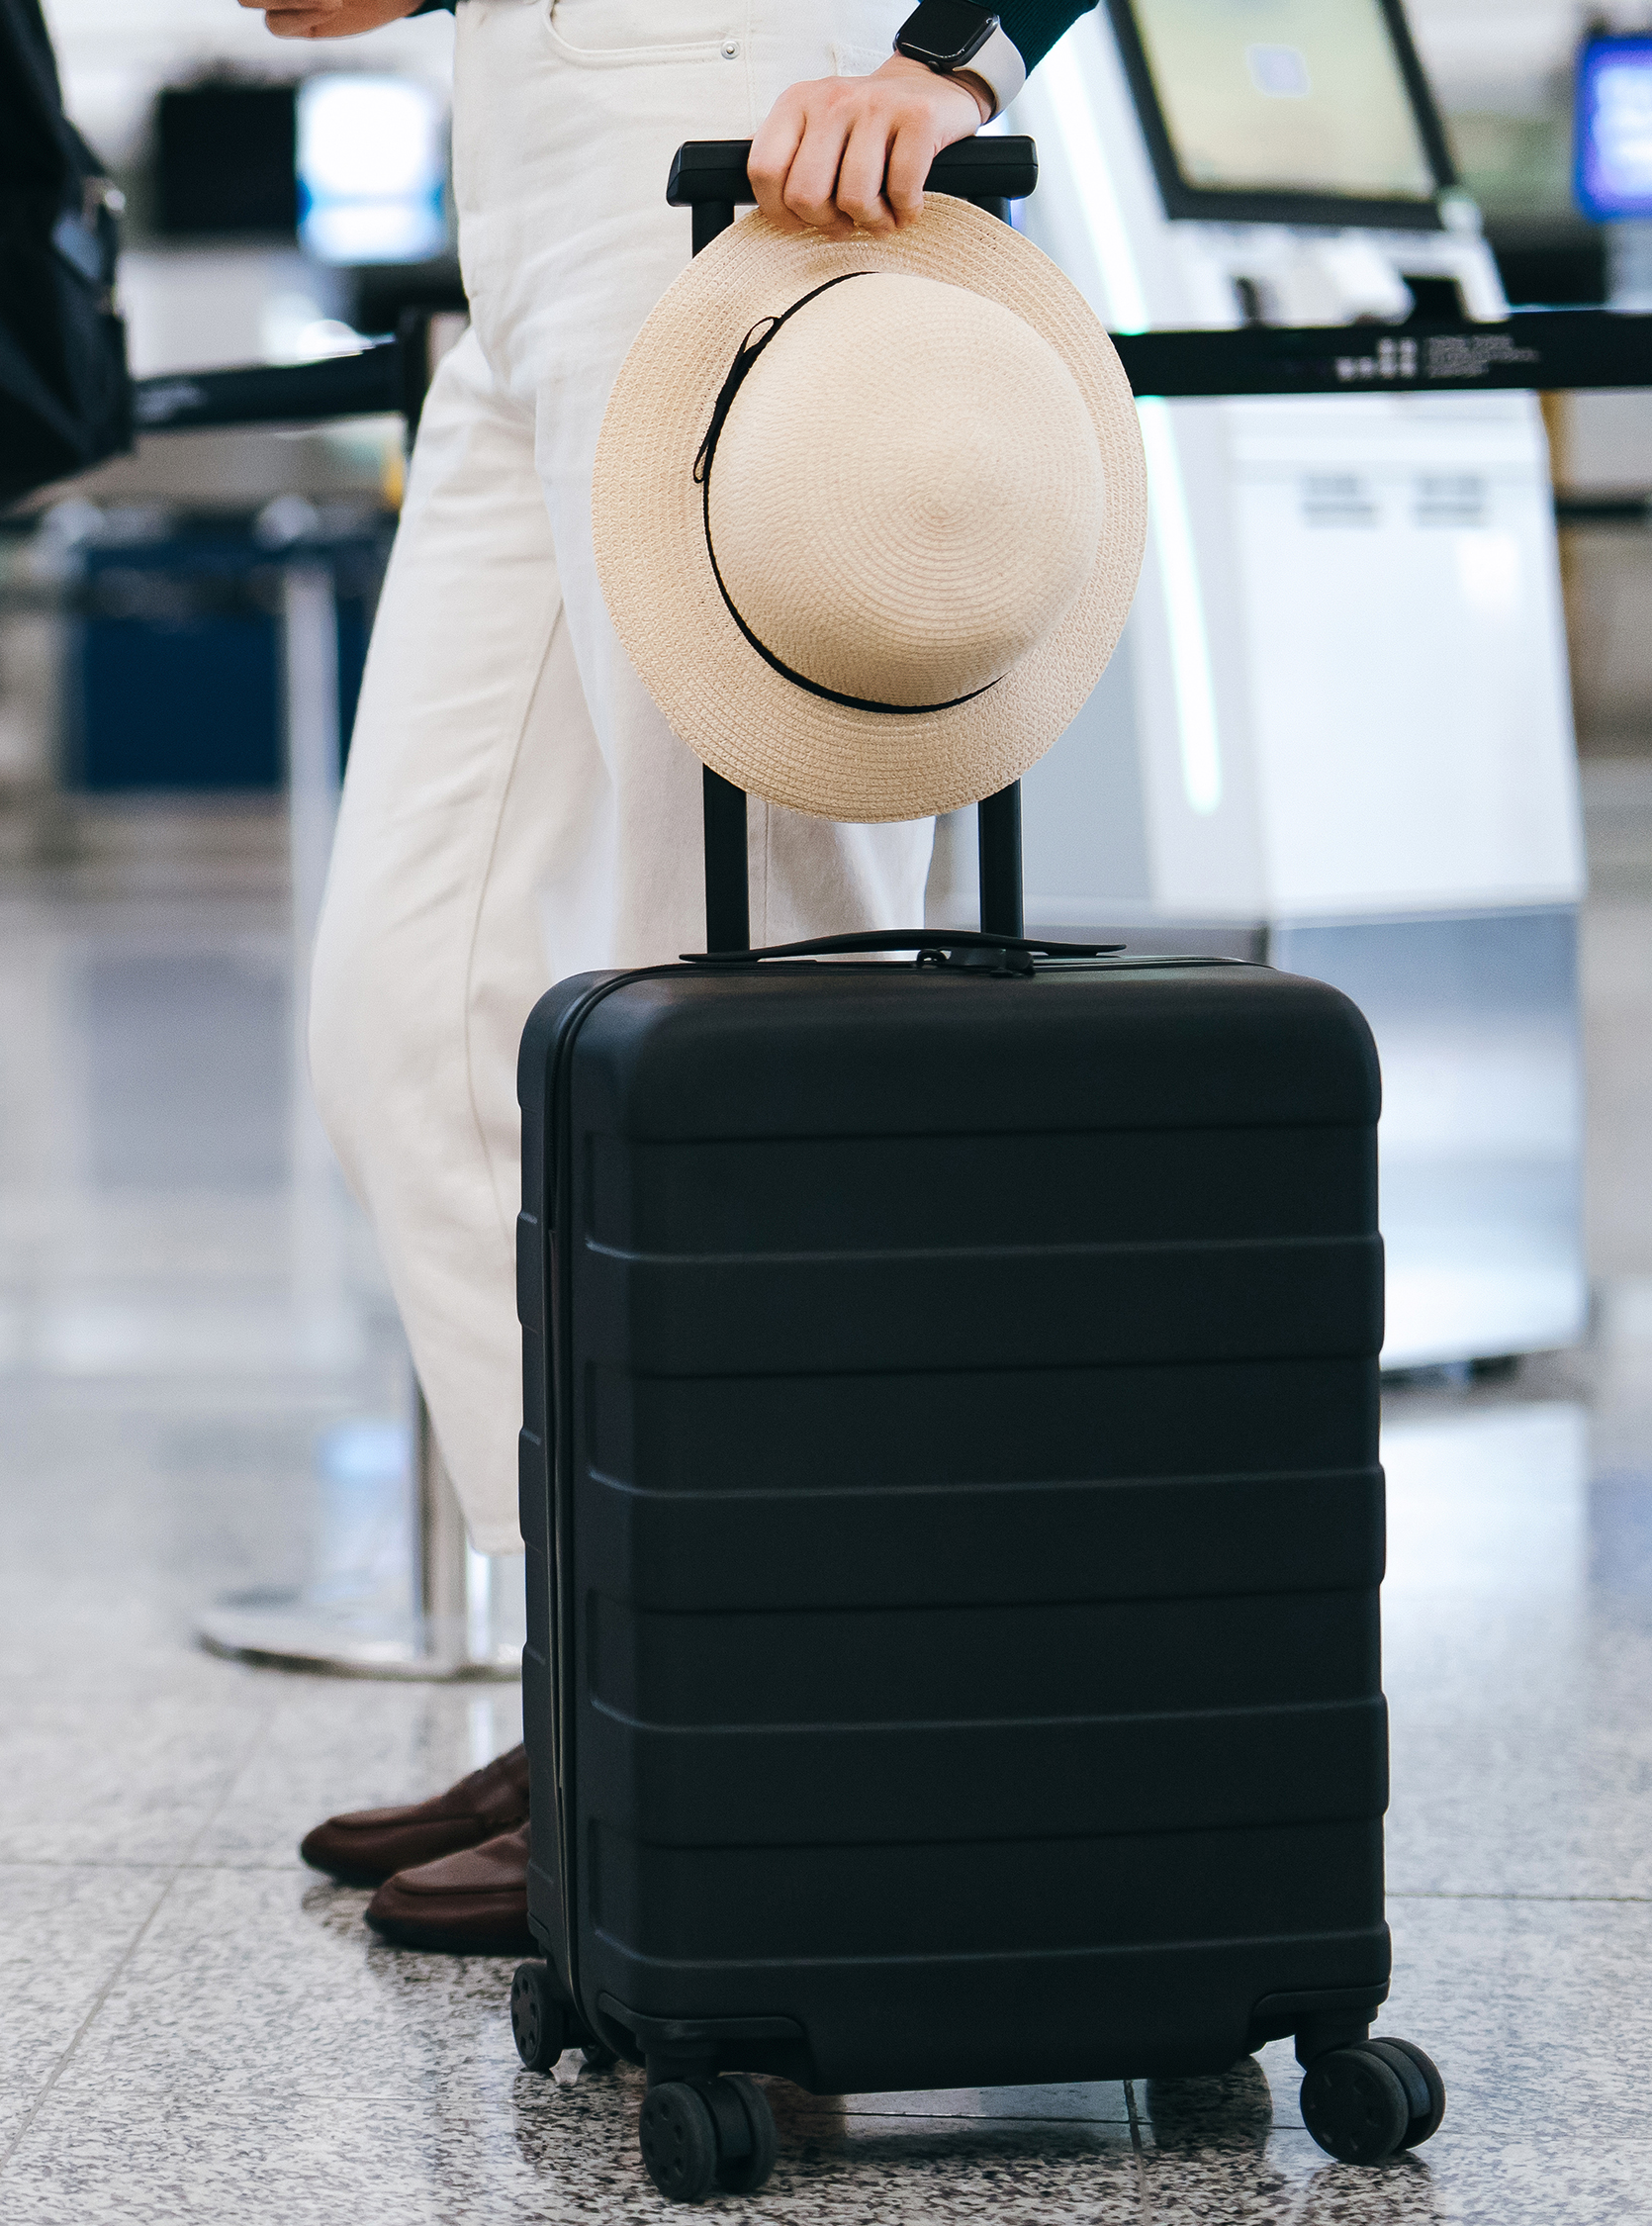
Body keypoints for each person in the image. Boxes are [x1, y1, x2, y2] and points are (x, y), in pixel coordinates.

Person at [254, 0, 1093, 1945]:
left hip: (749, 154)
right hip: (524, 216)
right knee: (405, 1010)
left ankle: (773, 1745)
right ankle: (626, 1687)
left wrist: (953, 59)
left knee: (761, 1034)